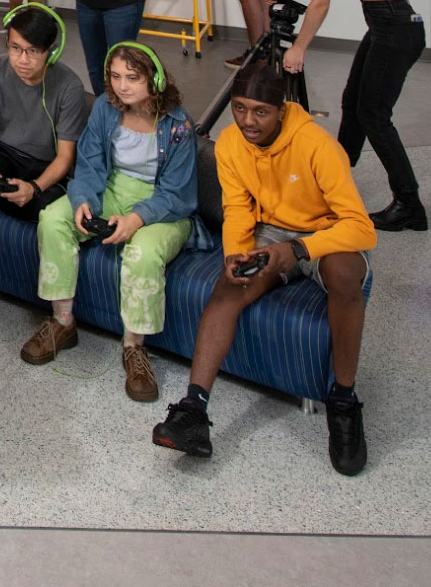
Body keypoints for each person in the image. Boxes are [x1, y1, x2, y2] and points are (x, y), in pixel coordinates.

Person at [152, 62, 375, 476]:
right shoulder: (231, 144)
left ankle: (344, 401)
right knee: (228, 285)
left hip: (327, 232)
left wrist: (301, 248)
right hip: (272, 231)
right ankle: (193, 410)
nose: (247, 121)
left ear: (281, 109)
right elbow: (237, 206)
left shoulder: (317, 145)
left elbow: (361, 227)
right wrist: (235, 253)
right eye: (239, 108)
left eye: (259, 111)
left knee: (346, 277)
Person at [27, 42, 197, 401]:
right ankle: (62, 323)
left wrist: (137, 219)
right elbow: (89, 164)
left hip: (163, 205)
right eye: (116, 76)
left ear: (155, 79)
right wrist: (83, 200)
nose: (122, 86)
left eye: (132, 78)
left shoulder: (178, 124)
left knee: (143, 253)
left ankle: (134, 347)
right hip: (111, 189)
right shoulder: (106, 108)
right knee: (52, 219)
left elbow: (178, 192)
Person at [270, 0, 425, 232]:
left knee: (373, 114)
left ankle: (409, 205)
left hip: (394, 28)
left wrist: (299, 47)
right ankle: (335, 178)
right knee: (354, 102)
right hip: (393, 24)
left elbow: (322, 1)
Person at [0, 4, 88, 337]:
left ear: (52, 51)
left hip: (45, 168)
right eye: (15, 49)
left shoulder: (69, 87)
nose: (22, 60)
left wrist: (34, 188)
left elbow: (65, 157)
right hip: (4, 153)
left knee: (52, 213)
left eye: (33, 51)